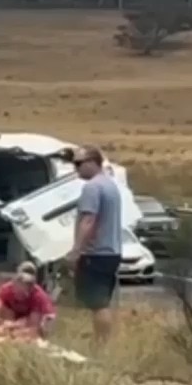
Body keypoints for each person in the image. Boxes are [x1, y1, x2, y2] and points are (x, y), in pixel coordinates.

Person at [68, 145, 123, 344]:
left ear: (92, 162)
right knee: (102, 301)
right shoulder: (110, 185)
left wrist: (77, 250)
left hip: (96, 253)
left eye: (79, 164)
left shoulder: (92, 187)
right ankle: (101, 340)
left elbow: (88, 220)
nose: (76, 169)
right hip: (112, 252)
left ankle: (102, 343)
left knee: (97, 302)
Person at [0, 261, 56, 340]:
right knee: (5, 311)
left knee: (36, 329)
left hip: (35, 320)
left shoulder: (38, 296)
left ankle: (12, 335)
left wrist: (13, 327)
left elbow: (34, 324)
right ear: (15, 280)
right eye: (21, 280)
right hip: (12, 319)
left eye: (28, 283)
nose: (24, 285)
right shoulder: (6, 289)